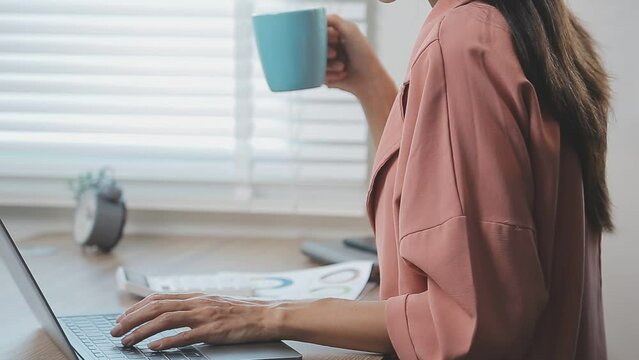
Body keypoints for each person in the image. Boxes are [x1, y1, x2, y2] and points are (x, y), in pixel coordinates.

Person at [111, 0, 612, 358]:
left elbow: (472, 324)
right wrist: (369, 82)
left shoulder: (460, 42)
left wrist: (261, 315)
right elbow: (446, 187)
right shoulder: (523, 21)